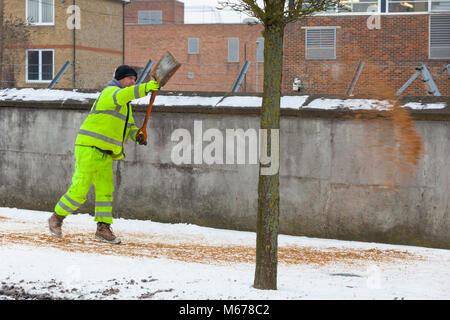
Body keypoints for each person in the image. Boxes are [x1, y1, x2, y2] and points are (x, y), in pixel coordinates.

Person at [48, 65, 159, 244]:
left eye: (134, 80)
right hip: (89, 148)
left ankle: (103, 229)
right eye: (130, 79)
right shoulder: (111, 92)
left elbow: (128, 128)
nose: (132, 82)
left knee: (105, 192)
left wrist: (137, 135)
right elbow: (125, 95)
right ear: (120, 78)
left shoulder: (125, 106)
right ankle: (56, 218)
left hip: (106, 153)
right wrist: (146, 87)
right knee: (80, 190)